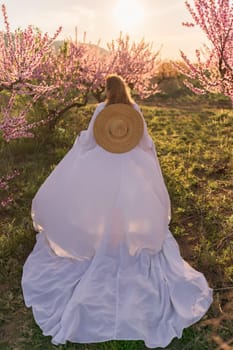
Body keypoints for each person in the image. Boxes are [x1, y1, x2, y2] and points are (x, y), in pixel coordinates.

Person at [21, 74, 213, 348]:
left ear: (108, 90)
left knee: (105, 205)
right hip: (132, 167)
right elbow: (145, 141)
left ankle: (107, 238)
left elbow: (89, 142)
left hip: (103, 167)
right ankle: (123, 237)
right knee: (128, 205)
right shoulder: (133, 111)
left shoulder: (101, 109)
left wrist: (82, 140)